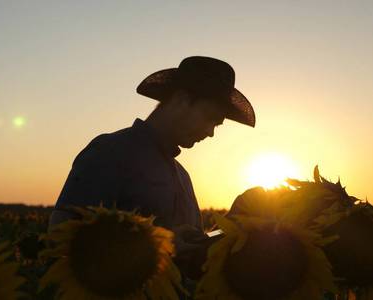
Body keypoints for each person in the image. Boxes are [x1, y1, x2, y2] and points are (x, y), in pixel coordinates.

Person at [49, 56, 256, 283]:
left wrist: (229, 228)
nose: (210, 133)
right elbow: (62, 236)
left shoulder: (183, 176)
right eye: (209, 118)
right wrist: (157, 247)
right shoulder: (110, 151)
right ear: (181, 100)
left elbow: (185, 250)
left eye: (216, 125)